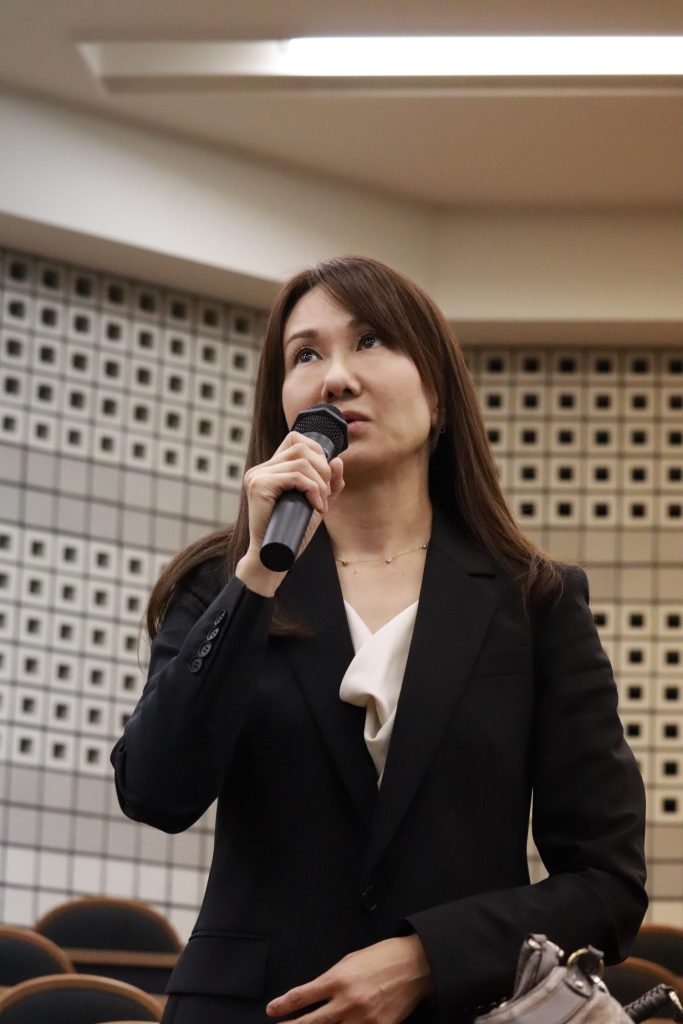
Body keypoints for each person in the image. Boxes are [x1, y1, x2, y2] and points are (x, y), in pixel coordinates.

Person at [111, 256, 647, 1024]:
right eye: (305, 354)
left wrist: (426, 957)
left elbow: (606, 883)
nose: (334, 378)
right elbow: (155, 791)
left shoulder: (534, 602)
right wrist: (257, 576)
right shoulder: (221, 582)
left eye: (369, 341)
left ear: (438, 394)